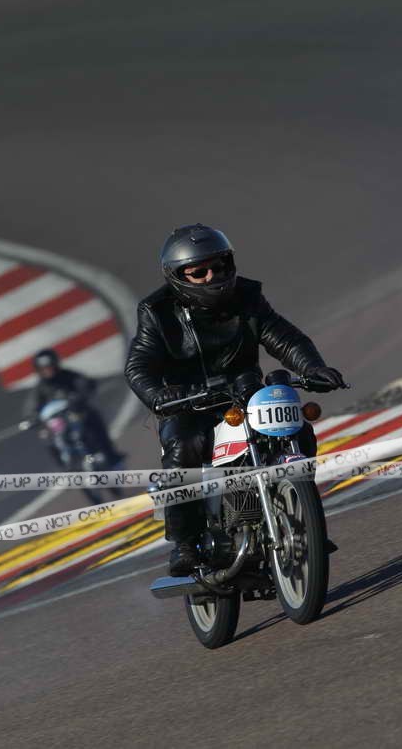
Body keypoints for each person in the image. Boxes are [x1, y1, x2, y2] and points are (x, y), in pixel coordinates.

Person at [124, 224, 346, 576]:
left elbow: (284, 337)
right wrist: (160, 395)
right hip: (189, 402)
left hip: (245, 393)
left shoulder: (247, 297)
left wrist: (314, 368)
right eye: (199, 272)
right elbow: (139, 365)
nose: (211, 277)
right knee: (185, 446)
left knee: (298, 429)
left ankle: (302, 517)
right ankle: (185, 542)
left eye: (218, 267)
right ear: (178, 277)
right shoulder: (157, 311)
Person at [24, 348, 119, 466]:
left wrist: (80, 396)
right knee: (45, 437)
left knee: (93, 418)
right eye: (44, 369)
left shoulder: (69, 376)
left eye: (50, 367)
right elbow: (31, 406)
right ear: (38, 370)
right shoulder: (40, 388)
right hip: (56, 424)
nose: (48, 371)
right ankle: (65, 466)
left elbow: (85, 384)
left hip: (76, 414)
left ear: (55, 364)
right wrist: (32, 418)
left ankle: (110, 453)